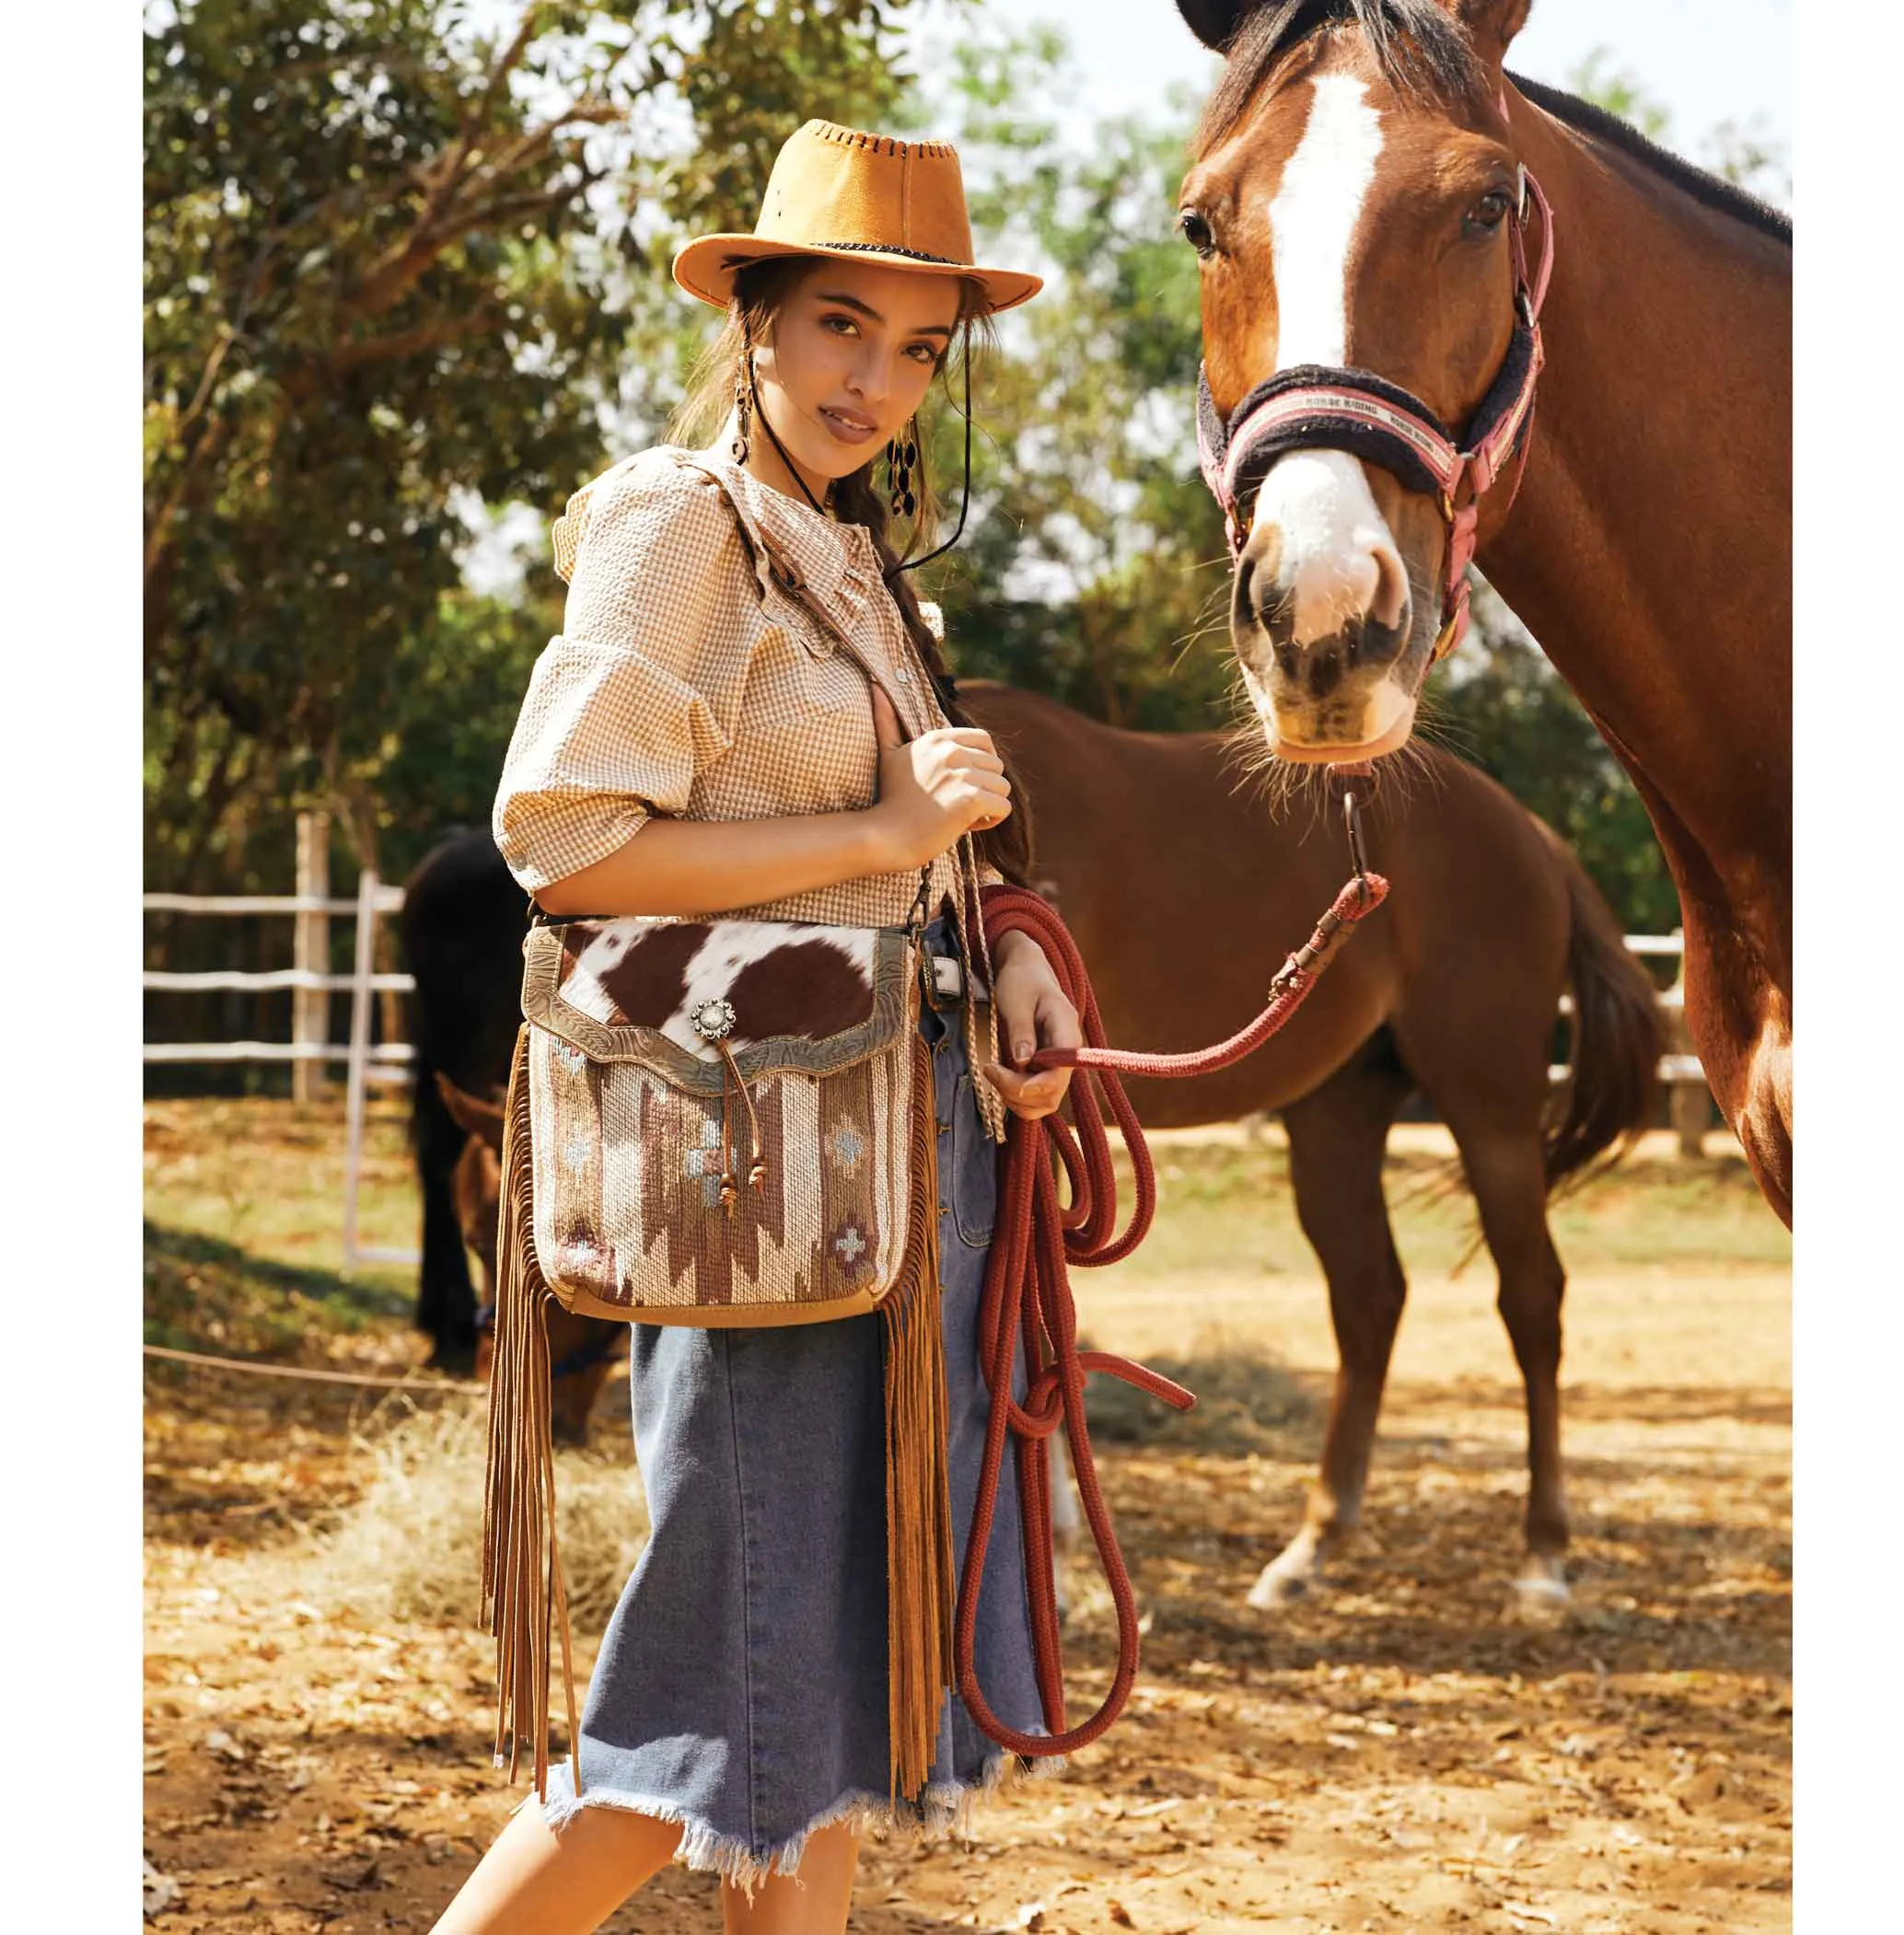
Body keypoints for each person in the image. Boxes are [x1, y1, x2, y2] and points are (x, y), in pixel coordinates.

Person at [431, 119, 1082, 1935]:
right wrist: (886, 833)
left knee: (825, 1699)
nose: (879, 380)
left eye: (921, 346)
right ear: (756, 324)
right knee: (707, 1704)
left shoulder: (851, 560)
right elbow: (565, 842)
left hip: (896, 1165)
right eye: (841, 329)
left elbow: (916, 858)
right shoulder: (679, 523)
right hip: (763, 1178)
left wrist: (999, 940)